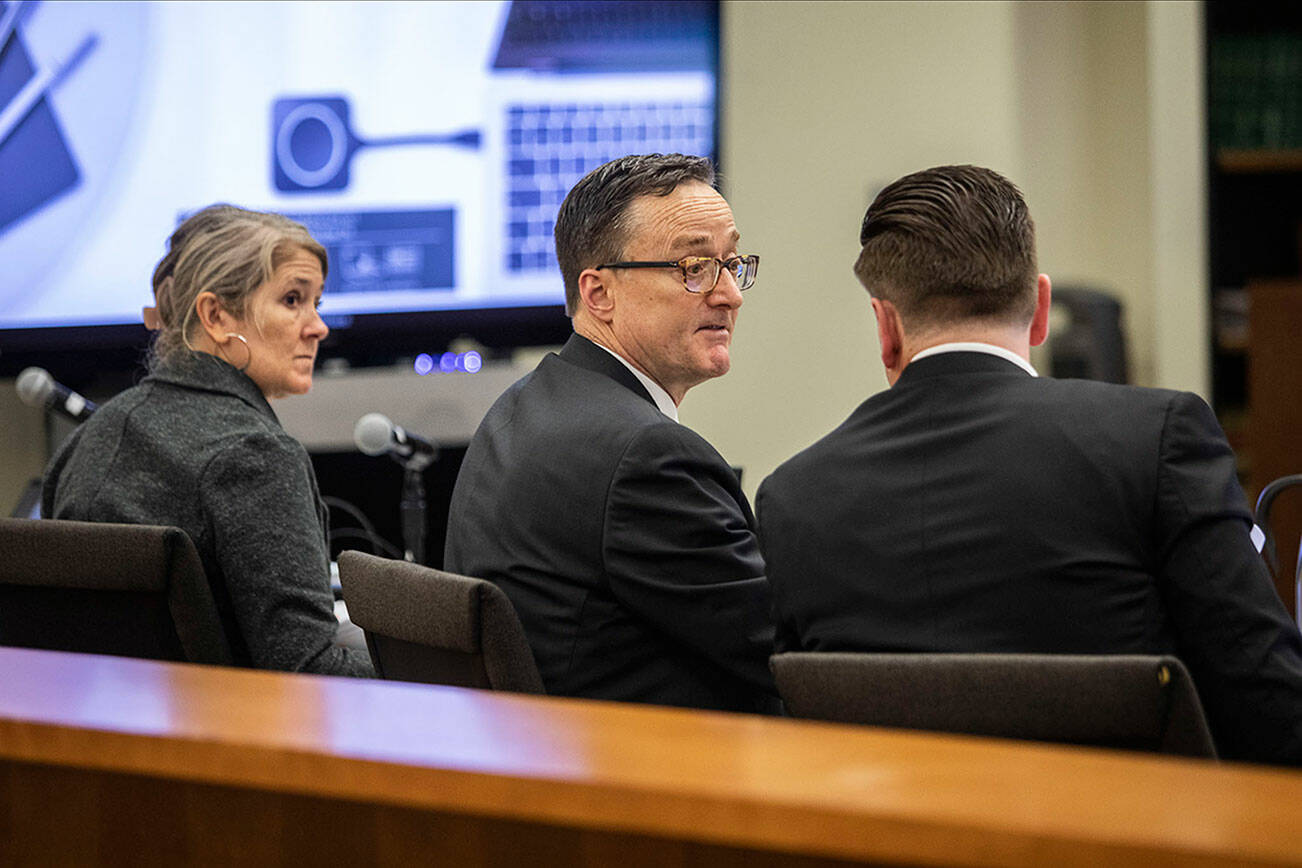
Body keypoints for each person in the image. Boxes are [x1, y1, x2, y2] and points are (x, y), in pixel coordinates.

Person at [756, 165, 1302, 764]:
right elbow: (1267, 703)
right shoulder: (1156, 439)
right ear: (1041, 307)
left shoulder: (791, 496)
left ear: (885, 326)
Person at [444, 154, 778, 713]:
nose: (730, 294)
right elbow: (782, 651)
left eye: (731, 262)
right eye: (694, 267)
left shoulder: (525, 404)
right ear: (599, 294)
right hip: (646, 776)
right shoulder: (647, 457)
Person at [43, 204, 373, 677]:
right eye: (293, 300)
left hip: (91, 738)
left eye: (316, 302)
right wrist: (431, 674)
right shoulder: (256, 455)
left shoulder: (89, 438)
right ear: (215, 315)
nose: (318, 326)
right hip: (226, 739)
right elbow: (308, 671)